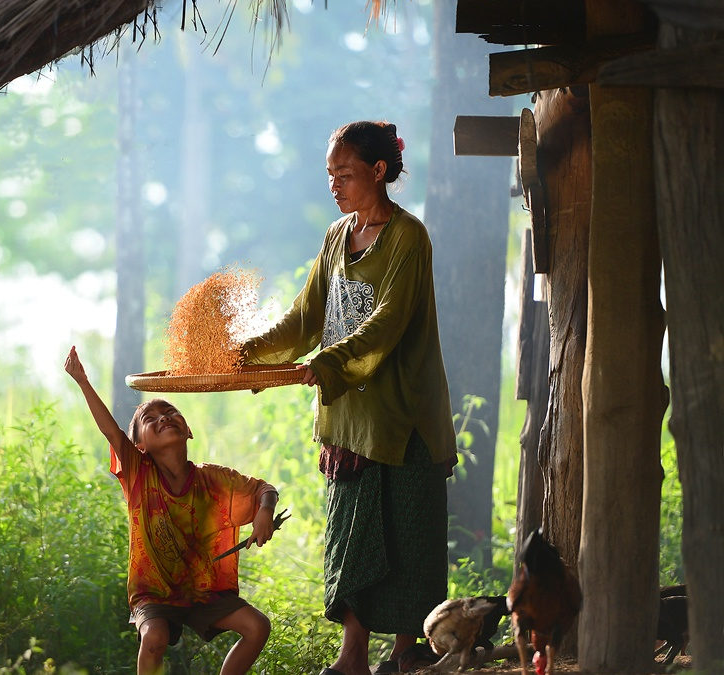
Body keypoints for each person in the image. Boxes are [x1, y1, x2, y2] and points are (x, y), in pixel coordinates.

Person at [241, 120, 458, 675]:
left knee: (408, 533)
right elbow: (306, 316)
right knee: (352, 538)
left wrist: (329, 364)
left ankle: (407, 653)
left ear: (379, 172)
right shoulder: (337, 236)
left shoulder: (410, 237)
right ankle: (352, 654)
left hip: (403, 415)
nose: (334, 185)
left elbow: (386, 324)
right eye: (330, 175)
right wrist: (249, 352)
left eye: (345, 173)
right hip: (350, 418)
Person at [64, 345, 278, 675]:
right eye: (150, 419)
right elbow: (110, 430)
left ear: (188, 430)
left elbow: (265, 490)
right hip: (154, 592)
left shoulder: (214, 479)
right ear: (139, 446)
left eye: (171, 413)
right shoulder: (138, 474)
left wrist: (264, 511)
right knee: (154, 637)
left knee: (257, 627)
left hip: (205, 591)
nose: (164, 417)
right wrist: (83, 382)